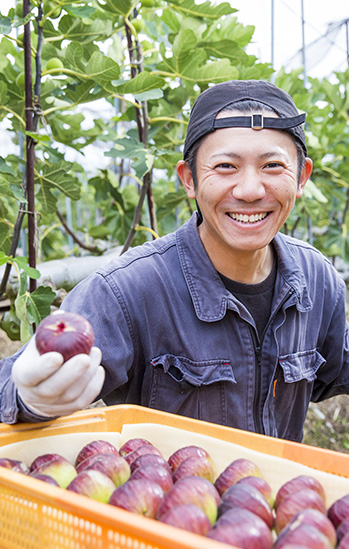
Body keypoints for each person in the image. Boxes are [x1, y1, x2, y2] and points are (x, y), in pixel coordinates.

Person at [1, 79, 348, 442]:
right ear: (189, 179)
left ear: (302, 176)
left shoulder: (317, 279)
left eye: (273, 166)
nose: (249, 190)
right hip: (165, 496)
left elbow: (336, 368)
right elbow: (8, 385)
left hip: (275, 495)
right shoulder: (129, 290)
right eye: (226, 166)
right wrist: (29, 398)